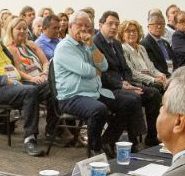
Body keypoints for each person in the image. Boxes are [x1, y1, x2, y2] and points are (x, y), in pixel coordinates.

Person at [0, 15, 52, 156]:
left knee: (50, 87)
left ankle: (53, 131)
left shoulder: (1, 46)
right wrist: (11, 81)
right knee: (30, 91)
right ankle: (29, 139)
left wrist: (28, 78)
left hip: (15, 84)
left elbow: (13, 67)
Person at [53, 11, 121, 157]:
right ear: (70, 27)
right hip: (72, 97)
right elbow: (87, 71)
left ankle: (106, 141)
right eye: (80, 25)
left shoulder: (87, 45)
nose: (84, 29)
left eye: (88, 26)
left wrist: (92, 46)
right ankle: (95, 149)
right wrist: (95, 70)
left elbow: (103, 66)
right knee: (98, 109)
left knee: (129, 102)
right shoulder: (64, 47)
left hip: (93, 93)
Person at [94, 11, 161, 148]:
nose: (114, 27)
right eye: (110, 23)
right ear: (100, 25)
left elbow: (126, 69)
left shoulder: (117, 44)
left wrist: (129, 83)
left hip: (124, 85)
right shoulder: (96, 43)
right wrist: (122, 84)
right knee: (132, 99)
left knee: (153, 94)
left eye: (116, 24)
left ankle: (151, 137)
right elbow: (101, 73)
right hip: (106, 87)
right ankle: (132, 140)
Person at [118, 19, 167, 90]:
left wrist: (162, 76)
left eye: (134, 31)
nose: (132, 34)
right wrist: (153, 79)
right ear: (122, 35)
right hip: (137, 83)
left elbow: (151, 68)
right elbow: (133, 74)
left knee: (168, 84)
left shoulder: (142, 48)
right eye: (128, 31)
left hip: (150, 81)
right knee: (157, 88)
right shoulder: (122, 49)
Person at [4, 17, 49, 84]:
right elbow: (17, 71)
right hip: (28, 81)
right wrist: (32, 78)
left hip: (42, 77)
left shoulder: (31, 44)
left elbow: (45, 62)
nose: (22, 31)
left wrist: (44, 73)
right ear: (11, 30)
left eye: (24, 29)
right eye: (19, 29)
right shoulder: (11, 49)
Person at [140, 12, 176, 76]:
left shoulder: (166, 43)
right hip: (160, 77)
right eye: (156, 24)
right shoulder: (145, 44)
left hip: (173, 75)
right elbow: (154, 66)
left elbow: (174, 62)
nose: (159, 26)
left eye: (162, 24)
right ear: (148, 27)